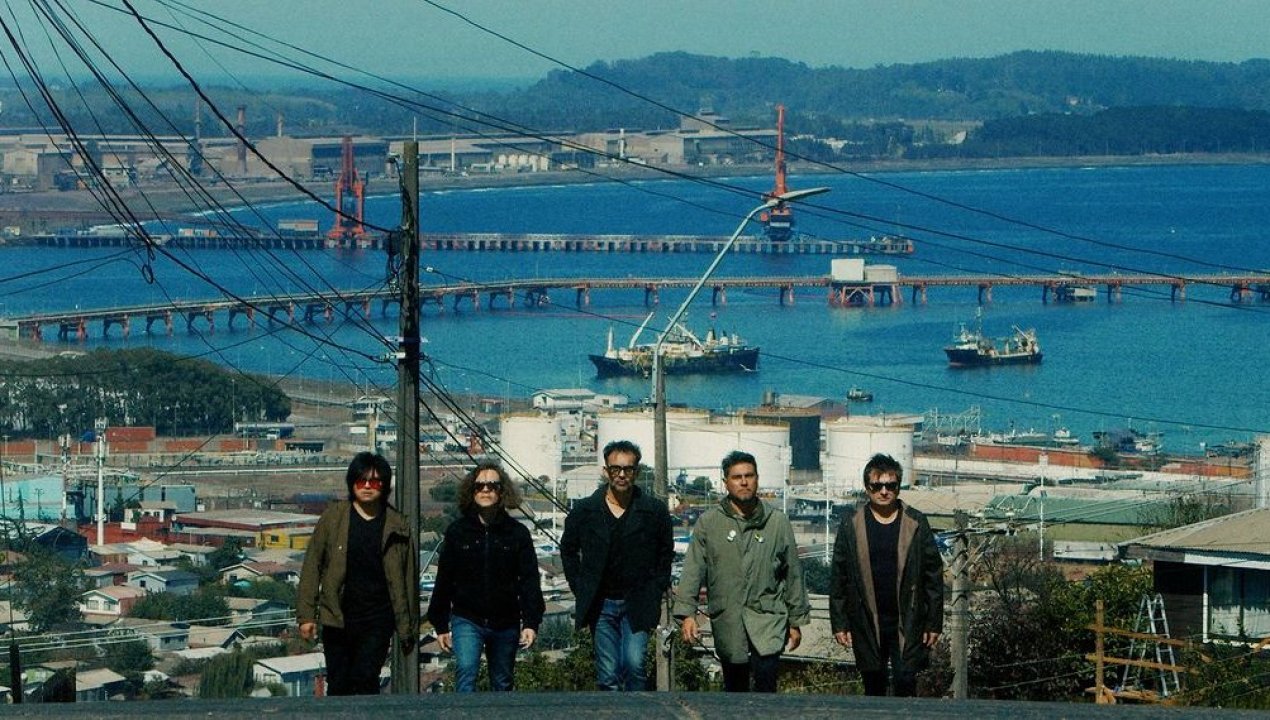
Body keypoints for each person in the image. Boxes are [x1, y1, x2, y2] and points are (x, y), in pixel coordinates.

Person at [673, 450, 810, 693]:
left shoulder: (777, 522)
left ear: (757, 479)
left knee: (766, 687)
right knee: (735, 690)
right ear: (725, 482)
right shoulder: (710, 523)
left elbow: (793, 575)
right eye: (737, 477)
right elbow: (693, 570)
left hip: (768, 620)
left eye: (749, 475)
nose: (744, 482)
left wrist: (795, 621)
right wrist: (687, 614)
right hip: (729, 620)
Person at [297, 452, 418, 695]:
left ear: (384, 486)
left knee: (366, 678)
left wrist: (408, 627)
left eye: (375, 482)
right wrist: (306, 615)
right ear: (352, 483)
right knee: (339, 683)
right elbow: (312, 565)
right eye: (361, 481)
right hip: (338, 615)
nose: (367, 487)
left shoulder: (397, 524)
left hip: (378, 617)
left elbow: (408, 579)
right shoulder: (334, 517)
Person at [560, 439, 674, 691]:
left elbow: (665, 553)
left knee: (635, 665)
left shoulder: (653, 511)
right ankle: (611, 710)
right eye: (615, 469)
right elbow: (568, 549)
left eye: (628, 469)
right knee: (608, 673)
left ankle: (637, 710)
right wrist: (580, 585)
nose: (621, 475)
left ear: (637, 472)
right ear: (606, 471)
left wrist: (656, 588)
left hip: (638, 602)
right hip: (601, 604)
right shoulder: (585, 511)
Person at [829, 453, 944, 697]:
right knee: (873, 684)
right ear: (867, 488)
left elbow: (933, 575)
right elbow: (839, 576)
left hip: (908, 620)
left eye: (890, 485)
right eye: (877, 486)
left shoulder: (915, 522)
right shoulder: (852, 524)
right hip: (866, 620)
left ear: (898, 487)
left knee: (906, 681)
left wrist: (933, 622)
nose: (884, 491)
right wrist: (839, 623)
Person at [426, 461, 544, 692]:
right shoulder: (457, 532)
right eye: (479, 486)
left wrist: (531, 622)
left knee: (502, 682)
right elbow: (445, 580)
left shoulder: (517, 533)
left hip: (506, 621)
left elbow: (529, 581)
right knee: (466, 673)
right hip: (467, 618)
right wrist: (440, 624)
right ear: (471, 491)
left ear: (502, 491)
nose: (486, 490)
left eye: (493, 486)